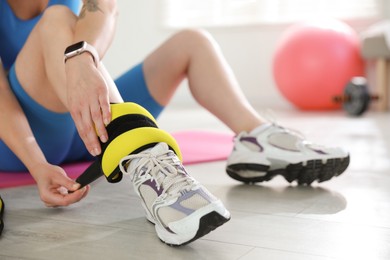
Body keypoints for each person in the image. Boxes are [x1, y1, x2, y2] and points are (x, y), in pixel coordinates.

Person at [0, 0, 349, 244]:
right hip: (19, 139)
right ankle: (145, 160)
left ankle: (257, 139)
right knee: (56, 18)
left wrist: (81, 54)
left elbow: (104, 7)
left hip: (85, 122)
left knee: (191, 42)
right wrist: (35, 162)